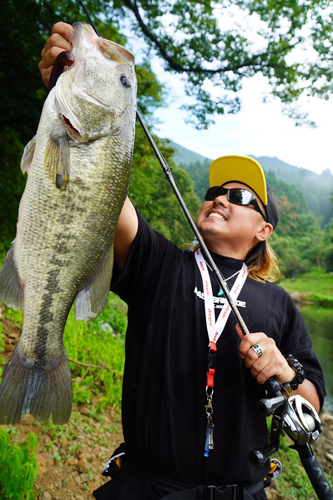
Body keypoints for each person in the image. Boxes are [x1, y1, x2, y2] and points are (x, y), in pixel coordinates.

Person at [39, 23, 326, 500]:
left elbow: (312, 402)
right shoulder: (161, 264)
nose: (221, 198)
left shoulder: (279, 305)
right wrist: (73, 92)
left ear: (263, 230)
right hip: (145, 488)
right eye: (214, 192)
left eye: (239, 196)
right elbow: (106, 197)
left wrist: (288, 373)